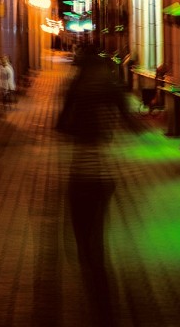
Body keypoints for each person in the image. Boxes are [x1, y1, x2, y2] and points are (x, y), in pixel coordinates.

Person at [58, 45, 132, 326]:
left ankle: (99, 299)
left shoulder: (77, 90)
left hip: (81, 176)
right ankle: (105, 305)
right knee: (96, 240)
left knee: (83, 243)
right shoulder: (112, 89)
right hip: (104, 177)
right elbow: (130, 123)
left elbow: (61, 126)